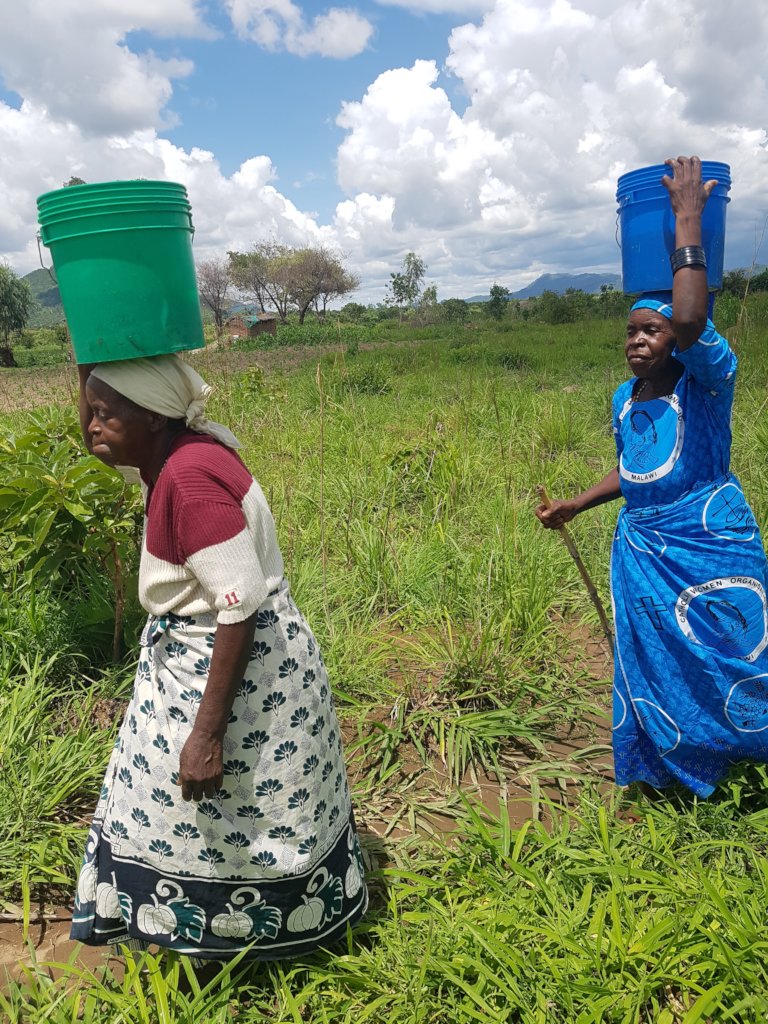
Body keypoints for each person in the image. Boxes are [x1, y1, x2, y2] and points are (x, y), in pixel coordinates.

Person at [70, 355, 367, 960]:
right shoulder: (177, 448)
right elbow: (104, 427)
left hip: (229, 672)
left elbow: (238, 606)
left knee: (225, 805)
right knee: (213, 807)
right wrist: (91, 360)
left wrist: (207, 734)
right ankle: (215, 930)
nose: (91, 427)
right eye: (91, 411)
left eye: (105, 415)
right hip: (209, 663)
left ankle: (225, 945)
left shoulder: (190, 480)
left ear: (152, 417)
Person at [536, 156, 768, 798]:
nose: (638, 341)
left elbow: (693, 320)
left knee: (729, 658)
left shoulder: (709, 385)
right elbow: (633, 472)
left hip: (709, 548)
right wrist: (575, 506)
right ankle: (667, 772)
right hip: (642, 553)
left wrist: (687, 218)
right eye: (631, 331)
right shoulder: (624, 398)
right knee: (654, 664)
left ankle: (742, 761)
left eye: (653, 330)